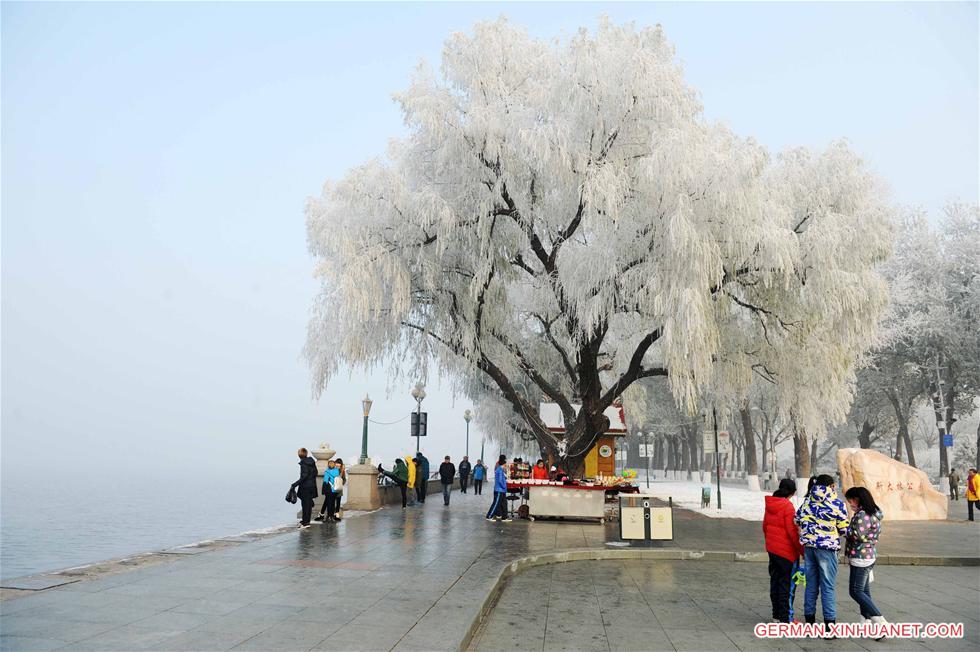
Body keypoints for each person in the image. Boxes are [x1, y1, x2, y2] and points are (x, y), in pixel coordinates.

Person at [795, 474, 849, 632]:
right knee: (828, 587)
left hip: (809, 548)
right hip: (827, 549)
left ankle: (810, 624)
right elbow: (844, 528)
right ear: (831, 486)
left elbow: (797, 519)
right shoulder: (837, 503)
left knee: (811, 585)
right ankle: (829, 628)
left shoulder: (807, 501)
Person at [843, 486, 887, 635]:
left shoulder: (863, 515)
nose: (850, 504)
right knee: (864, 590)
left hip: (861, 556)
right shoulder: (871, 512)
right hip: (867, 555)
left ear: (858, 499)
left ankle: (880, 621)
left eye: (850, 501)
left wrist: (844, 529)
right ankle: (866, 621)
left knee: (855, 591)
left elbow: (858, 535)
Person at [763, 478, 804, 623]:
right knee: (785, 585)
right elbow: (792, 533)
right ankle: (785, 618)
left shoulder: (770, 504)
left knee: (775, 582)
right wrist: (801, 551)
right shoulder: (788, 507)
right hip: (786, 553)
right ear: (792, 493)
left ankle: (776, 616)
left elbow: (765, 526)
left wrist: (770, 543)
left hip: (772, 550)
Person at [291, 448, 318, 528]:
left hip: (305, 487)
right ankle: (305, 521)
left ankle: (305, 523)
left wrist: (294, 484)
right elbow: (315, 473)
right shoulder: (312, 462)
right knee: (308, 504)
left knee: (305, 505)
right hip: (312, 486)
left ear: (299, 455)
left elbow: (304, 476)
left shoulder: (304, 463)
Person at [486, 455, 511, 522]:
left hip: (502, 490)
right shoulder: (499, 470)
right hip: (499, 490)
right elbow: (500, 480)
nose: (506, 466)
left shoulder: (501, 470)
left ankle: (504, 517)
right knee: (496, 503)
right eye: (506, 464)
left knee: (504, 503)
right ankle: (489, 516)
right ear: (504, 464)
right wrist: (504, 486)